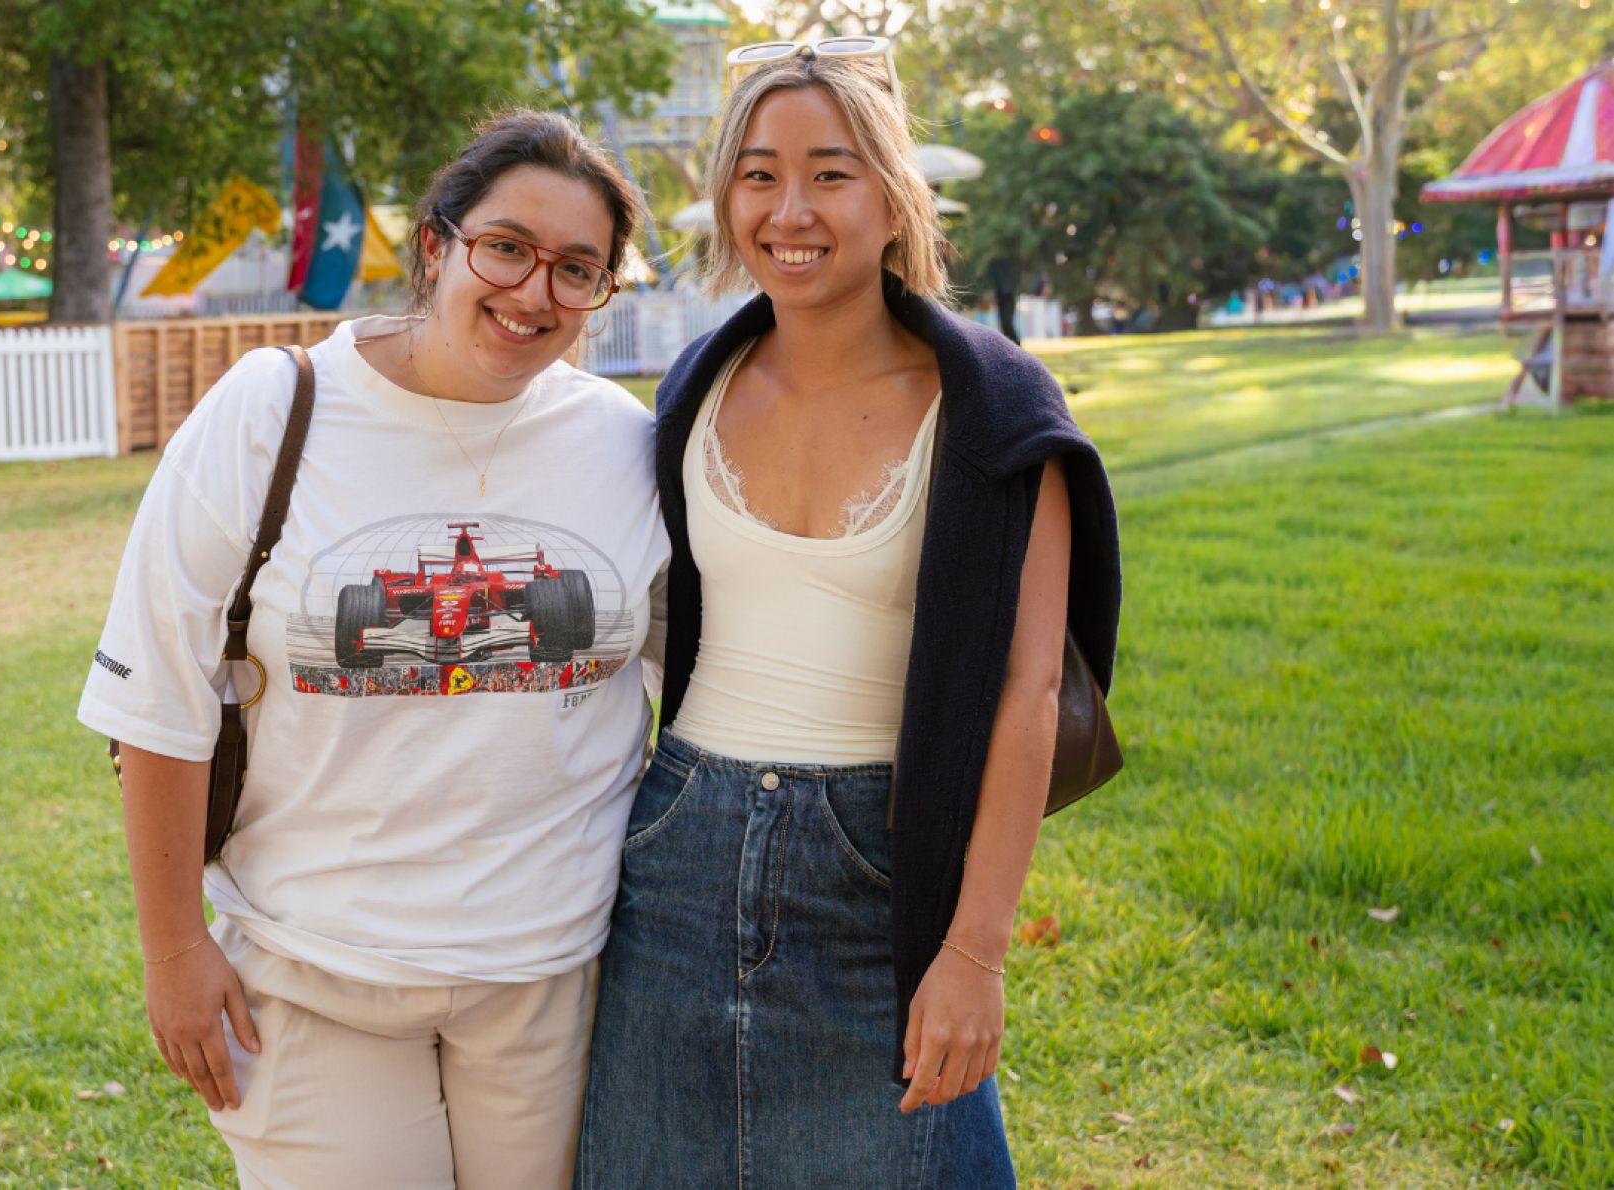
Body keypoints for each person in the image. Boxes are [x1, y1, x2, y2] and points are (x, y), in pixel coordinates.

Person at [77, 110, 670, 1189]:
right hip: (311, 971)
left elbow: (690, 684)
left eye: (578, 269)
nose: (535, 291)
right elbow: (156, 692)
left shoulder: (624, 444)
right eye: (508, 247)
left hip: (551, 975)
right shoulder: (274, 409)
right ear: (437, 244)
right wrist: (171, 949)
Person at [576, 42, 1120, 1188]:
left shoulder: (995, 407)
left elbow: (1027, 689)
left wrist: (975, 948)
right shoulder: (691, 389)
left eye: (831, 172)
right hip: (676, 848)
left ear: (891, 197)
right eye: (760, 173)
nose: (792, 208)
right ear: (728, 199)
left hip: (882, 861)